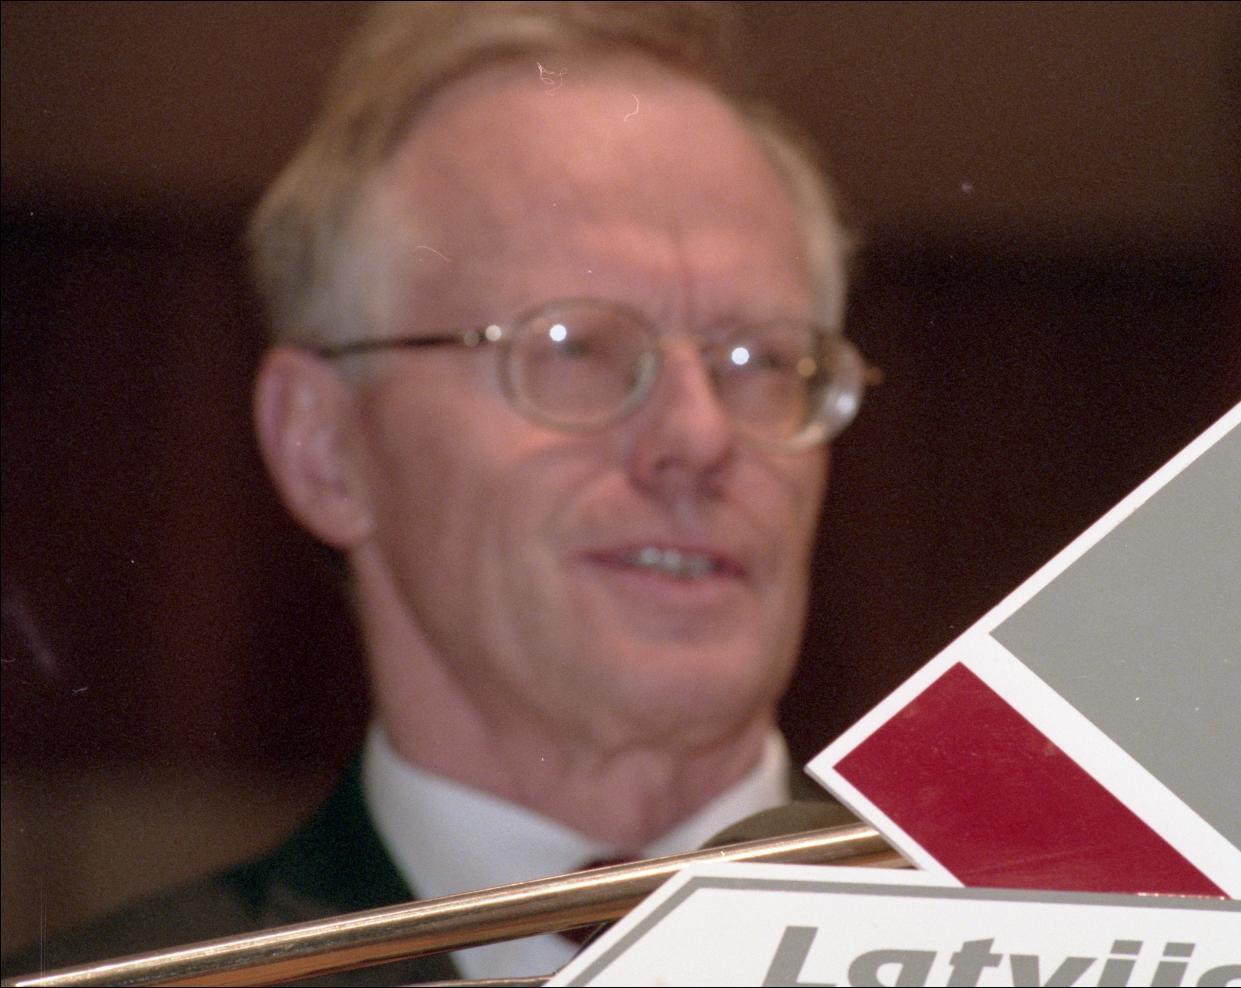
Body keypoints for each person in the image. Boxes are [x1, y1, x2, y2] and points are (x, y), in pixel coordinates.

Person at [6, 3, 870, 983]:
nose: (700, 436)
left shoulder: (1016, 940)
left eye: (761, 359)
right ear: (323, 446)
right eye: (574, 348)